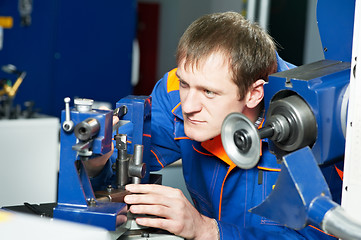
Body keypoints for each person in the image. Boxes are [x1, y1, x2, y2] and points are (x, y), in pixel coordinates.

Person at [87, 12, 338, 239]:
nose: (188, 106)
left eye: (209, 92)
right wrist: (97, 164)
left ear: (253, 94)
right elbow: (121, 179)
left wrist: (207, 230)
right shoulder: (176, 90)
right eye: (186, 84)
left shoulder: (320, 127)